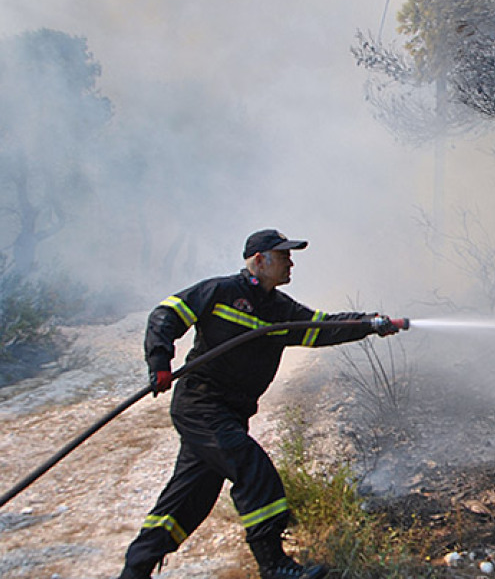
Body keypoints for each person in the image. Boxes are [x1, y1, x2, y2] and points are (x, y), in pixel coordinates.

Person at [117, 229, 400, 579]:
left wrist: (371, 323)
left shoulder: (281, 310)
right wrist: (160, 361)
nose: (290, 263)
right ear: (259, 260)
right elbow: (166, 315)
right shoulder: (220, 292)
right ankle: (273, 565)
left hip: (233, 414)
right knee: (255, 472)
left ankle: (135, 569)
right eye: (283, 256)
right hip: (201, 406)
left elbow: (324, 327)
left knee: (189, 499)